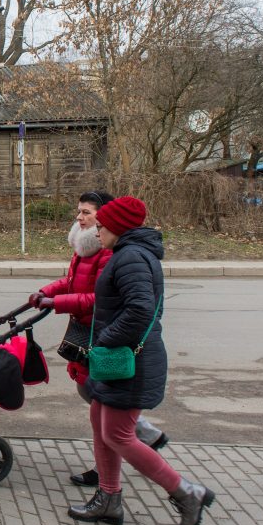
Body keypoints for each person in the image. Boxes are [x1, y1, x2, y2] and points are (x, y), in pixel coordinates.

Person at [67, 196, 215, 525]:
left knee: (119, 434)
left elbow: (140, 311)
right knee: (101, 423)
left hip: (130, 359)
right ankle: (108, 499)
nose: (96, 229)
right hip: (121, 357)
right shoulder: (125, 254)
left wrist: (102, 341)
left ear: (117, 227)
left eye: (102, 224)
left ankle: (185, 492)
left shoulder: (131, 257)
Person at [29, 191, 167, 488]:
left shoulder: (112, 251)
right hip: (88, 333)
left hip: (100, 337)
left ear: (105, 218)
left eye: (86, 213)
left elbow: (103, 298)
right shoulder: (86, 247)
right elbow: (73, 281)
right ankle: (125, 454)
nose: (79, 218)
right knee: (90, 396)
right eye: (78, 212)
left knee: (105, 414)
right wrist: (48, 291)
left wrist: (59, 304)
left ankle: (138, 454)